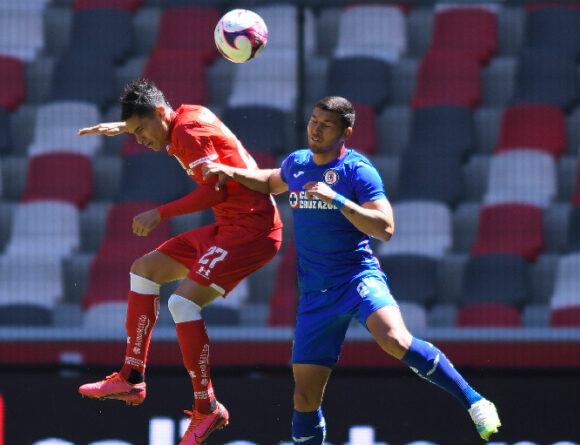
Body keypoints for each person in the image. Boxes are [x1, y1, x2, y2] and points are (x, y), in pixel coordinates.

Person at [202, 96, 501, 443]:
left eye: (326, 124)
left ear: (347, 132)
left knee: (394, 340)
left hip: (357, 279)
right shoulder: (297, 164)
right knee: (304, 398)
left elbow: (385, 228)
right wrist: (232, 172)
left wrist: (338, 200)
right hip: (316, 294)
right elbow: (271, 181)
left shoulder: (357, 171)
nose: (316, 128)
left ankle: (475, 402)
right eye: (314, 120)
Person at [77, 78, 283, 445]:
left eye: (140, 130)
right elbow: (162, 125)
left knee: (182, 302)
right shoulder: (182, 118)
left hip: (252, 230)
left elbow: (214, 189)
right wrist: (123, 125)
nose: (140, 140)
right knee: (144, 270)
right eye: (134, 132)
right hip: (228, 225)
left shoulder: (187, 132)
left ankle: (207, 408)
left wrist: (161, 212)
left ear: (159, 114)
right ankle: (132, 377)